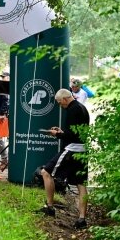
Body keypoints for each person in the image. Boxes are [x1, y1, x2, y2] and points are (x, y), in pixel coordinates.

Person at [38, 88, 91, 229]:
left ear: (66, 99)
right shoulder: (82, 108)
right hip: (83, 150)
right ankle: (82, 219)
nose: (60, 105)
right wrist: (62, 131)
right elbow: (77, 131)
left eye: (60, 102)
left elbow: (72, 136)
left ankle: (50, 207)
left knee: (45, 172)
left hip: (72, 150)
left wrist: (57, 134)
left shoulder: (73, 110)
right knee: (81, 184)